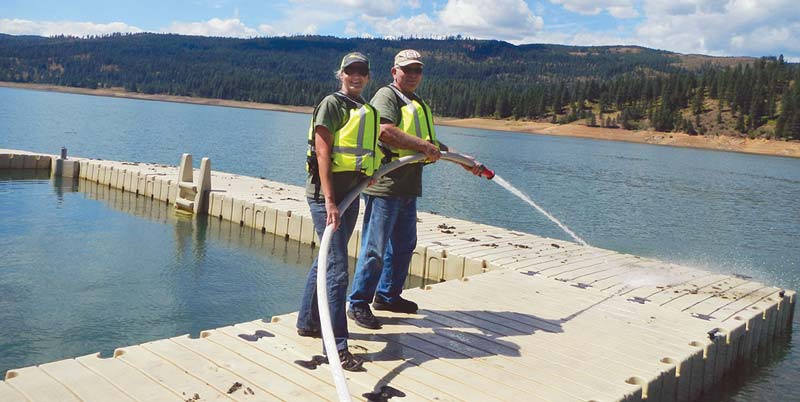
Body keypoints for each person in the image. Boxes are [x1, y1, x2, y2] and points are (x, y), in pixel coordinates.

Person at [347, 49, 485, 329]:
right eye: (407, 69)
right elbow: (385, 131)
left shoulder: (417, 102)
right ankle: (358, 303)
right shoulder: (387, 96)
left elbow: (432, 143)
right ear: (394, 71)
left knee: (404, 245)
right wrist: (423, 147)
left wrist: (463, 160)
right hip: (386, 186)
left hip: (409, 186)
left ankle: (387, 296)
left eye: (417, 70)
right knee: (375, 248)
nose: (412, 75)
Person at [296, 52, 380, 371]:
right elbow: (323, 153)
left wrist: (367, 173)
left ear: (368, 77)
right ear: (341, 75)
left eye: (361, 72)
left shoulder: (366, 110)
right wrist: (330, 201)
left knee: (326, 259)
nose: (355, 76)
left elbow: (360, 152)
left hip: (351, 195)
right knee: (337, 270)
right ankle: (337, 346)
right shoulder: (331, 104)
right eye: (350, 72)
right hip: (326, 198)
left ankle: (307, 321)